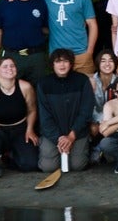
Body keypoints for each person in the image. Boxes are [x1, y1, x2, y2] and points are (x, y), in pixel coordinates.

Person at [36, 48, 97, 177]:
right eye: (58, 61)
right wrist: (59, 138)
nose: (62, 65)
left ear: (71, 64)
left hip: (77, 132)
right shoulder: (43, 84)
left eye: (65, 61)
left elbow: (86, 111)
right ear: (52, 64)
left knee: (77, 165)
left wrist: (71, 136)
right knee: (48, 167)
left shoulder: (82, 81)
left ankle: (89, 150)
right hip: (52, 134)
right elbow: (44, 116)